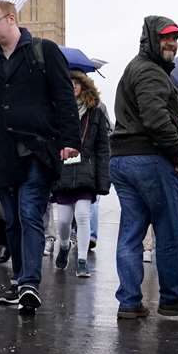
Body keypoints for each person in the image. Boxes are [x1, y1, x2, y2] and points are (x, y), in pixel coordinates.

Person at [0, 0, 77, 311]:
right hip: (3, 152)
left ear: (10, 19)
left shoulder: (44, 50)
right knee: (11, 220)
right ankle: (19, 281)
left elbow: (65, 97)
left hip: (38, 149)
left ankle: (29, 283)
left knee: (28, 213)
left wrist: (70, 140)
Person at [108, 16, 178, 320]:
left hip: (123, 160)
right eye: (166, 38)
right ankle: (173, 297)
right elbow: (154, 119)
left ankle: (129, 302)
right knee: (169, 230)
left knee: (131, 232)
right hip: (150, 159)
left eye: (175, 38)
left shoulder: (134, 69)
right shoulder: (150, 73)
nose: (172, 43)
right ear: (151, 39)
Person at [51, 71, 111, 277]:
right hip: (64, 171)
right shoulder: (57, 111)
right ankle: (65, 245)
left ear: (84, 87)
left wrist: (103, 179)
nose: (73, 87)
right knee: (63, 220)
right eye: (70, 83)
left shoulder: (96, 112)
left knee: (83, 215)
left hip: (86, 172)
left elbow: (103, 147)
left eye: (77, 83)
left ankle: (82, 260)